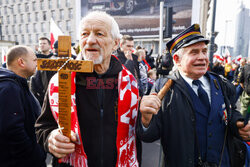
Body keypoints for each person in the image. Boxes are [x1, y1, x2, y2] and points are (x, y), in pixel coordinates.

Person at [35, 11, 140, 167]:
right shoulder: (59, 81)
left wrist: (147, 120)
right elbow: (43, 127)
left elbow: (139, 134)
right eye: (85, 34)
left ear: (115, 43)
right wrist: (51, 138)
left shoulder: (131, 84)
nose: (90, 40)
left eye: (99, 34)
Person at [137, 24, 250, 167]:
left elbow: (230, 111)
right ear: (177, 59)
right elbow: (149, 135)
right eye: (194, 52)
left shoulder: (220, 83)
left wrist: (238, 124)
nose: (202, 57)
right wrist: (146, 119)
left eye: (204, 51)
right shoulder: (163, 88)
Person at [0, 45, 46, 166]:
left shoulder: (16, 84)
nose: (37, 63)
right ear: (21, 62)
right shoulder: (10, 88)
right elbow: (12, 130)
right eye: (34, 59)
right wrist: (33, 156)